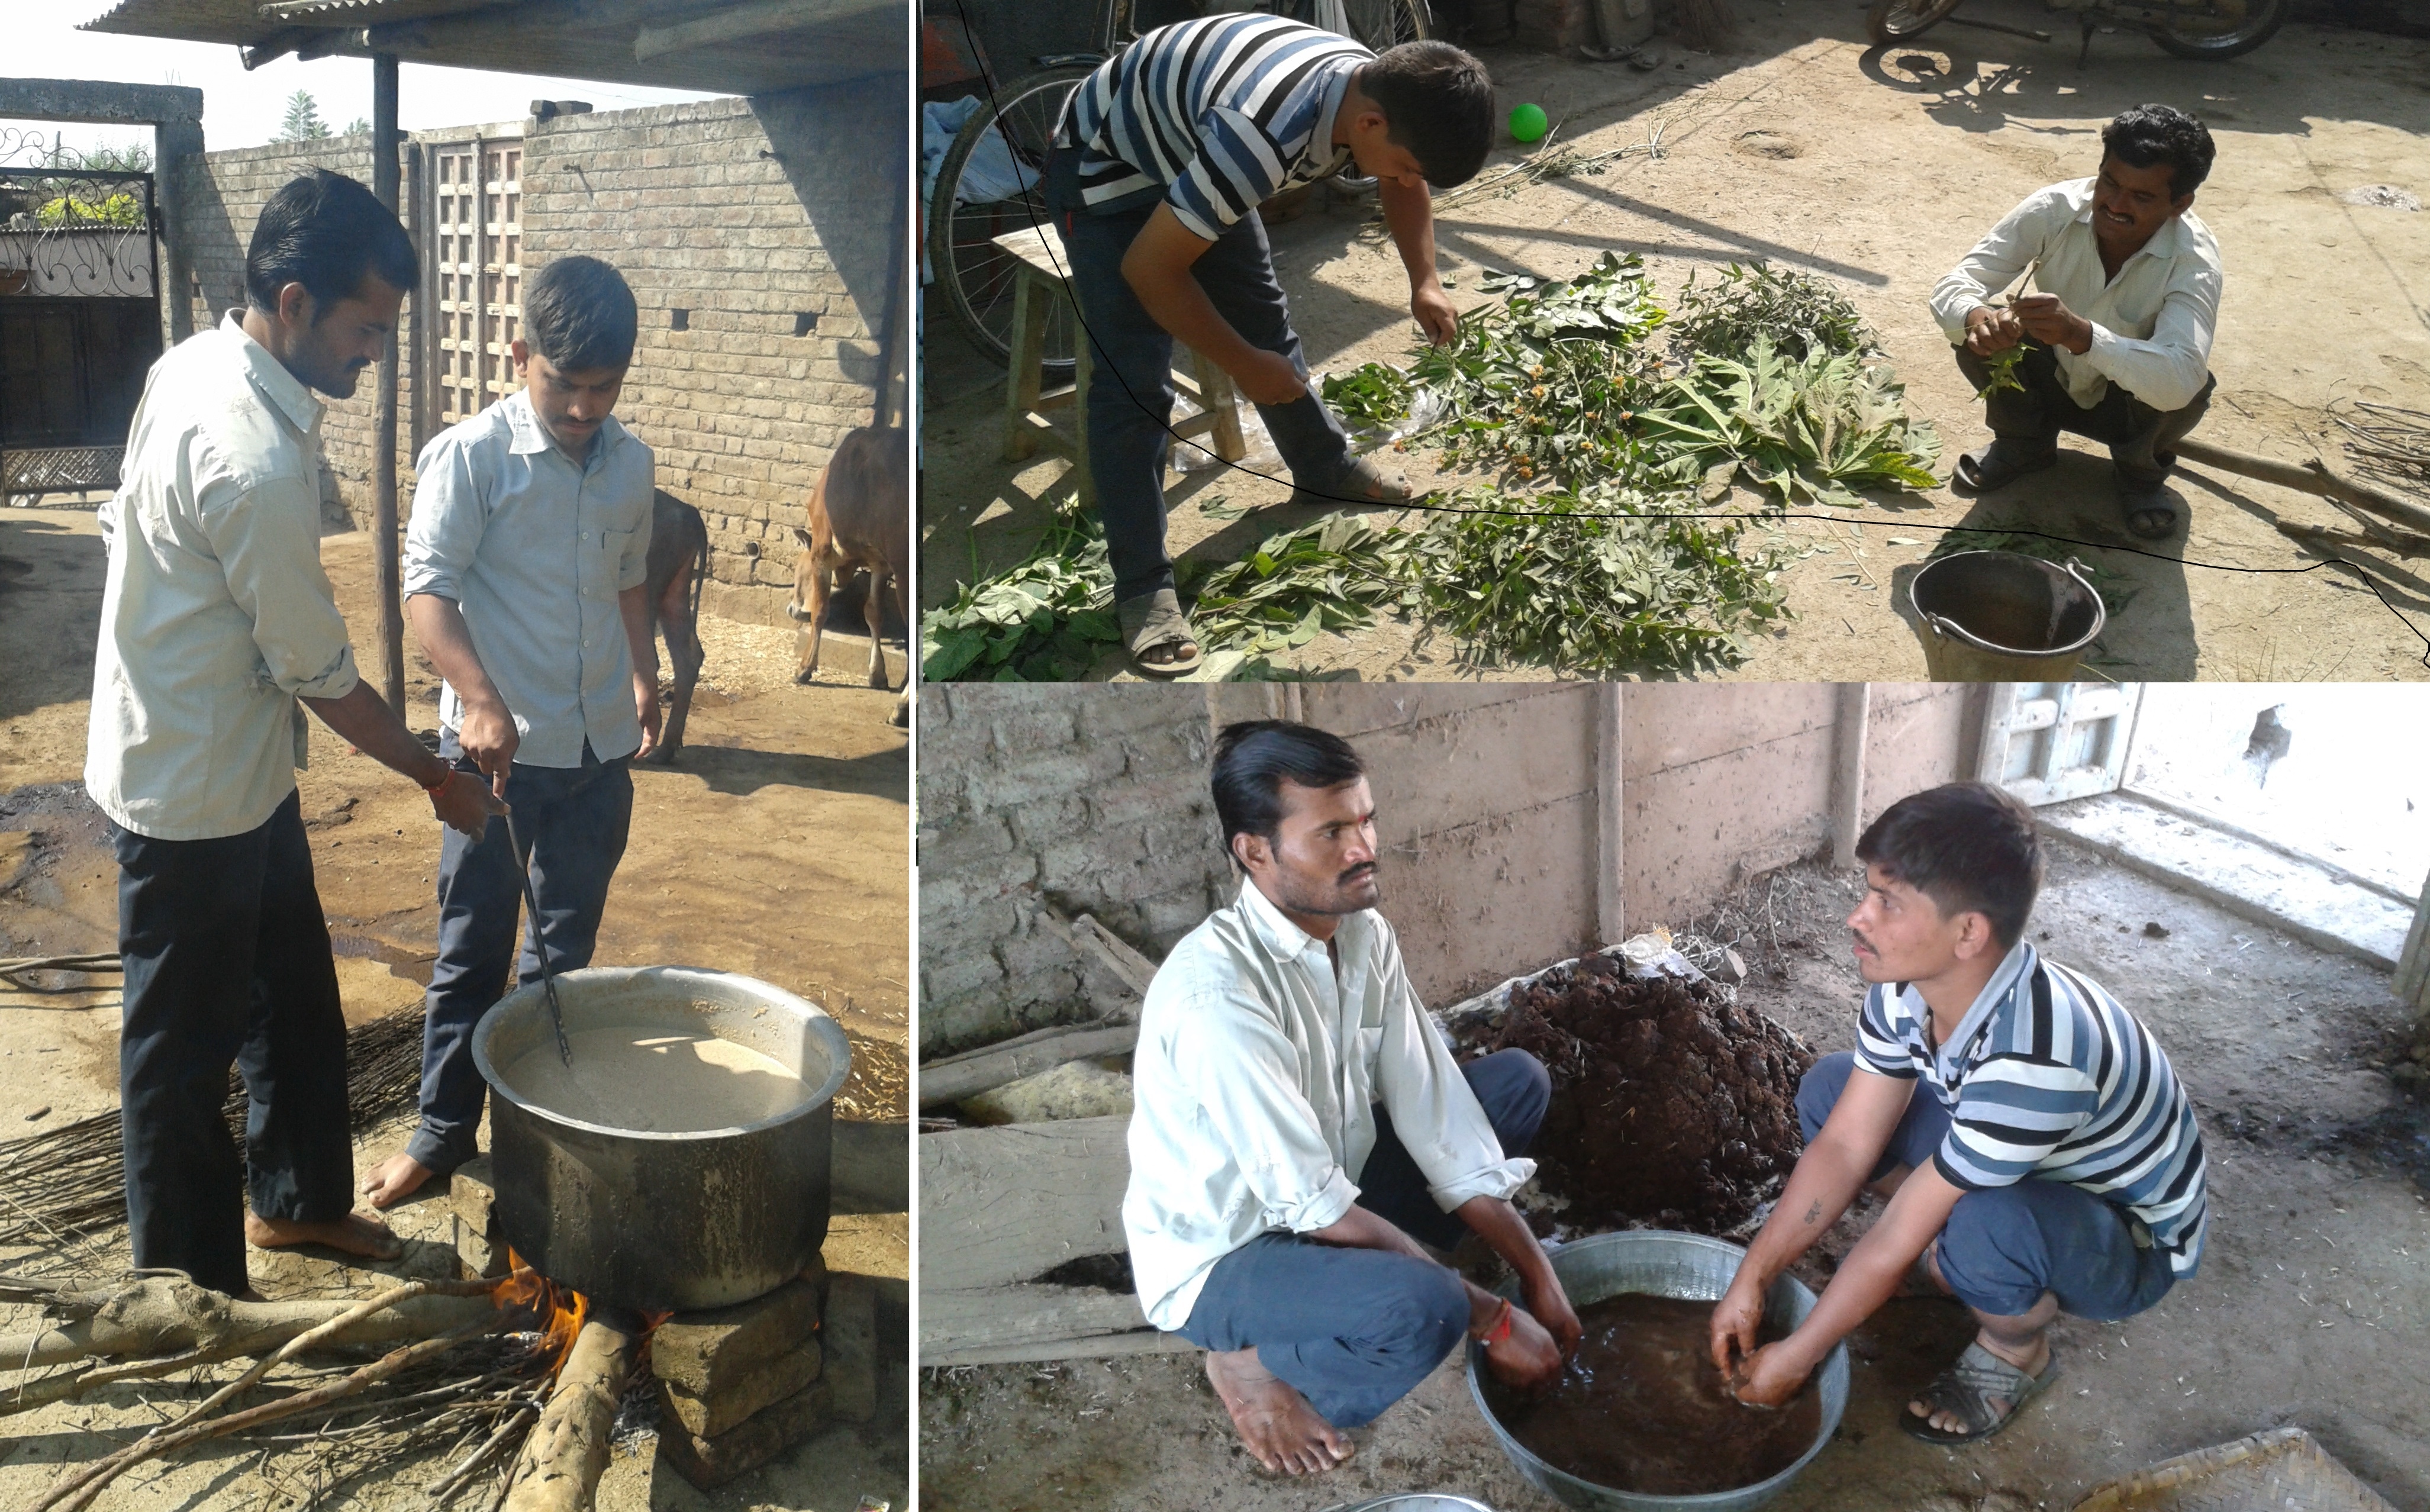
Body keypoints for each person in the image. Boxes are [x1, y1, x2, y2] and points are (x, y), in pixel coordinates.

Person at [86, 169, 502, 1299]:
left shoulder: (205, 361)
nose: (377, 352)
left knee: (297, 999)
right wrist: (436, 778)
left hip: (245, 768)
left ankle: (299, 1208)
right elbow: (319, 672)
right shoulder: (252, 457)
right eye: (366, 328)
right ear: (293, 299)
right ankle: (188, 1300)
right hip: (186, 790)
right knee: (179, 1060)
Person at [1123, 721, 1578, 1476]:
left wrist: (1539, 1274)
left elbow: (1436, 1112)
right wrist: (1494, 1318)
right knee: (1425, 1308)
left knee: (1513, 1084)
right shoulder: (1217, 998)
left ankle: (1366, 1284)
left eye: (1365, 818)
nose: (1363, 847)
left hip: (1329, 1183)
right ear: (1255, 850)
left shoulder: (1361, 932)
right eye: (1331, 830)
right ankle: (1251, 1368)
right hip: (1229, 1252)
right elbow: (1311, 1206)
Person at [1709, 784, 2208, 1446]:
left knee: (1982, 1224)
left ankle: (2013, 1348)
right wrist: (1753, 1274)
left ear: (1968, 930)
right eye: (1867, 891)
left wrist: (1795, 1357)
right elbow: (1845, 1145)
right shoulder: (1903, 985)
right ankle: (1960, 1261)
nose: (1857, 917)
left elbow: (1888, 1238)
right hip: (2025, 1165)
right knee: (1832, 1091)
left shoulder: (2033, 1062)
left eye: (1886, 902)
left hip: (2120, 1238)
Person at [1047, 18, 1494, 676]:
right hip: (1105, 165)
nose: (1401, 178)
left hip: (1189, 147)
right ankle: (1143, 588)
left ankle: (1323, 468)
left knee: (1263, 320)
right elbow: (1149, 271)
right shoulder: (1257, 139)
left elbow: (1406, 183)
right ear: (1368, 127)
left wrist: (1423, 281)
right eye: (1401, 163)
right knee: (1134, 386)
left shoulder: (1382, 89)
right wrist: (1242, 367)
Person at [359, 256, 658, 1207]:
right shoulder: (470, 457)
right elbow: (426, 590)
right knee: (473, 948)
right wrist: (479, 696)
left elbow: (625, 581)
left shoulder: (632, 465)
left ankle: (531, 1126)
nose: (581, 408)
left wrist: (644, 675)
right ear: (519, 353)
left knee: (560, 956)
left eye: (601, 388)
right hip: (494, 759)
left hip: (598, 752)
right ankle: (442, 1133)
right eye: (562, 385)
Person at [1930, 104, 2221, 540]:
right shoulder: (2055, 208)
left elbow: (2180, 380)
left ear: (2180, 203)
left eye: (2142, 198)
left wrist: (2083, 337)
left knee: (2186, 381)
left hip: (2124, 405)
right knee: (1975, 332)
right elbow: (1959, 282)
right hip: (2048, 378)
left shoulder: (2194, 261)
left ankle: (2138, 475)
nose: (2115, 206)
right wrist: (1978, 317)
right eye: (2110, 182)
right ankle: (2024, 443)